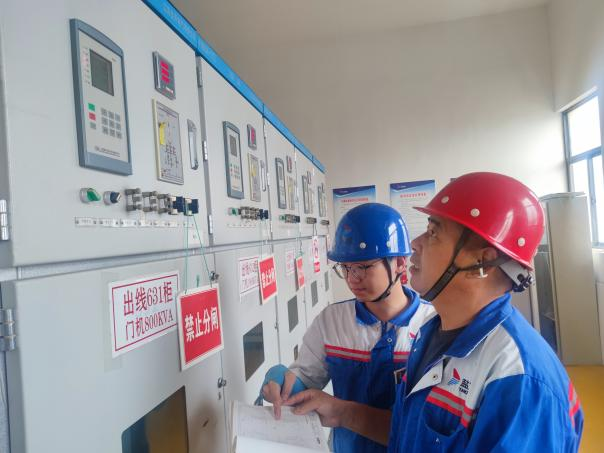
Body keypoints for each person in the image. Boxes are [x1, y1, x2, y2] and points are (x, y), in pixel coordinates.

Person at [286, 172, 583, 452]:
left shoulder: (519, 380)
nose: (415, 244)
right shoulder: (431, 335)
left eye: (432, 233)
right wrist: (341, 412)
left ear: (481, 262)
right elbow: (405, 434)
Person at [261, 202, 434, 452]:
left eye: (363, 267)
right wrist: (284, 382)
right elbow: (307, 379)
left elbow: (430, 423)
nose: (352, 278)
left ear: (399, 262)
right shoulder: (331, 321)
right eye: (346, 268)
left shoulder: (433, 324)